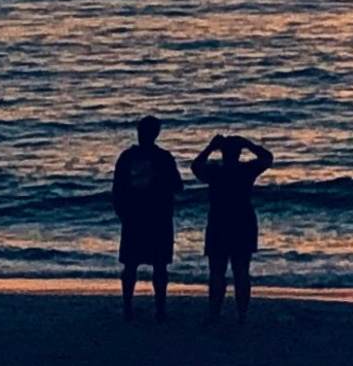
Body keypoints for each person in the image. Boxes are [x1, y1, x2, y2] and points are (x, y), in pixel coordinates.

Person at [192, 132, 274, 321]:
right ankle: (242, 313)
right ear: (239, 153)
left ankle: (215, 313)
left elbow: (196, 167)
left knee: (217, 271)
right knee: (241, 270)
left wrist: (209, 148)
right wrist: (250, 145)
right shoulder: (246, 170)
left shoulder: (215, 171)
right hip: (242, 221)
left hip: (219, 221)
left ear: (222, 153)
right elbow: (267, 158)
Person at [110, 117, 181, 320]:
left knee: (132, 264)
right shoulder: (164, 157)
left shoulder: (127, 156)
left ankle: (128, 307)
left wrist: (121, 211)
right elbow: (177, 185)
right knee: (158, 265)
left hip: (136, 216)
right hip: (156, 216)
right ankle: (159, 309)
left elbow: (117, 189)